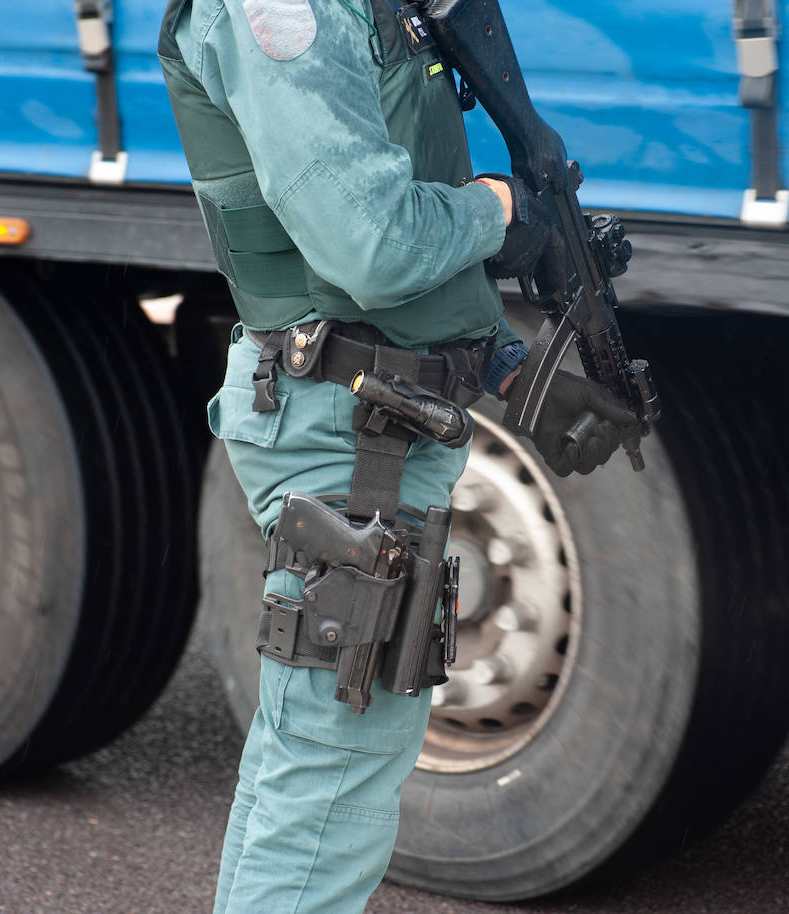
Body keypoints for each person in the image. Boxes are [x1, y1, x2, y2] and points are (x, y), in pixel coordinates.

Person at [156, 0, 638, 911]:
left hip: (370, 410)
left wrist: (504, 370)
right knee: (330, 778)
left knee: (312, 761)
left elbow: (394, 266)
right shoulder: (282, 10)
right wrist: (502, 206)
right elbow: (367, 245)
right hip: (346, 426)